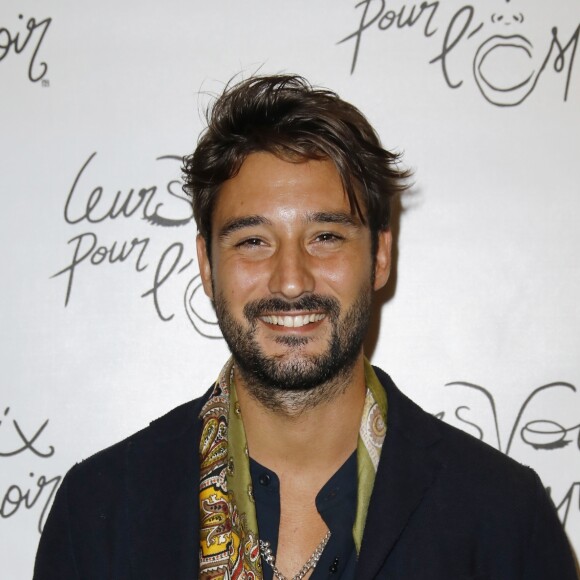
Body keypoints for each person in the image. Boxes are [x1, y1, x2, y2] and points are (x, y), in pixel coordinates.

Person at [34, 74, 578, 580]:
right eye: (252, 241)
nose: (291, 281)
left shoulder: (504, 516)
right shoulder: (99, 513)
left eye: (326, 237)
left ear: (381, 256)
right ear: (206, 264)